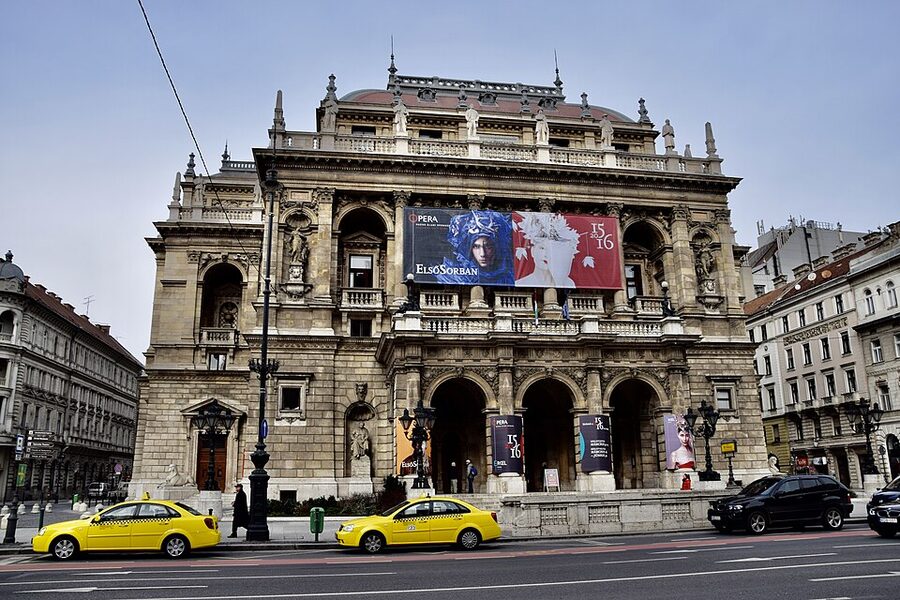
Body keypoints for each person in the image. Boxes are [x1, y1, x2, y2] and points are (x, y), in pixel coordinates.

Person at [435, 210, 514, 285]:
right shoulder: (451, 276)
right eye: (476, 246)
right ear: (469, 248)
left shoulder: (508, 277)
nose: (483, 254)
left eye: (488, 246)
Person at [514, 213, 581, 288]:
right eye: (542, 248)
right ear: (532, 251)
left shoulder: (568, 283)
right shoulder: (521, 283)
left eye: (551, 249)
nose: (546, 255)